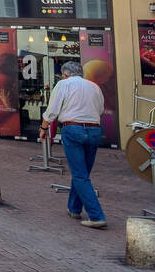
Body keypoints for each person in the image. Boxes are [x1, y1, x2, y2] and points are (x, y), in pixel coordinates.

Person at [41, 60, 107, 229]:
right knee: (82, 172)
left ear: (65, 74)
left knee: (80, 175)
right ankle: (74, 208)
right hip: (94, 130)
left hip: (73, 129)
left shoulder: (63, 84)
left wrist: (44, 127)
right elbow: (100, 110)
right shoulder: (94, 87)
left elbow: (53, 109)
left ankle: (96, 215)